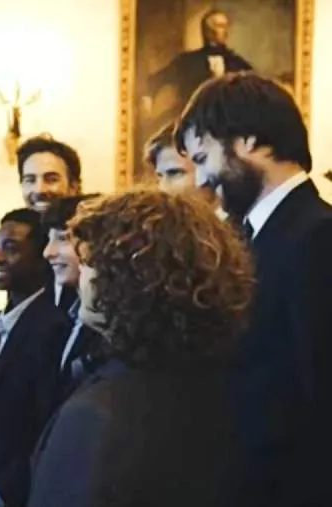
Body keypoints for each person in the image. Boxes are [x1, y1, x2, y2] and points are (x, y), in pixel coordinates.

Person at [29, 189, 254, 507]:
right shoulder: (221, 385)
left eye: (91, 262)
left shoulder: (99, 414)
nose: (83, 275)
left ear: (124, 280)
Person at [175, 71, 332, 506]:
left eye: (204, 158)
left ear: (248, 140)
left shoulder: (318, 238)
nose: (202, 180)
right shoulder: (253, 236)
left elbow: (319, 394)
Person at [0, 208, 68, 507]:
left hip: (21, 492)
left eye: (11, 249)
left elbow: (44, 425)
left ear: (41, 257)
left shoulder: (53, 327)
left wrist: (1, 494)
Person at [41, 196, 105, 403]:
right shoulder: (64, 314)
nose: (48, 252)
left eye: (63, 239)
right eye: (49, 240)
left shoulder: (109, 322)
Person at [16, 134, 83, 313]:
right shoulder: (20, 245)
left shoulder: (89, 241)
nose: (39, 190)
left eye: (51, 179)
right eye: (30, 180)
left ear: (74, 186)